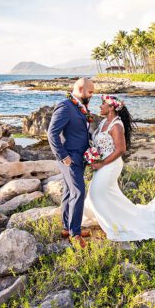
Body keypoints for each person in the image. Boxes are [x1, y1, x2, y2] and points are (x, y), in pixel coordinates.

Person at [84, 94, 155, 242]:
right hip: (102, 163)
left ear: (111, 107)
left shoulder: (116, 125)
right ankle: (116, 218)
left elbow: (121, 149)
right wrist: (93, 156)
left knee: (97, 193)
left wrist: (102, 163)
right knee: (105, 194)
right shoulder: (103, 122)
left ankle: (115, 226)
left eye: (103, 104)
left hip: (110, 165)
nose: (100, 106)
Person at [47, 77, 95, 248]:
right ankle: (75, 233)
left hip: (79, 157)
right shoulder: (65, 107)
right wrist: (63, 156)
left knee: (69, 192)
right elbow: (52, 134)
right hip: (70, 158)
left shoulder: (80, 107)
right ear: (81, 90)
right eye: (90, 92)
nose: (92, 95)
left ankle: (67, 227)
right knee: (79, 192)